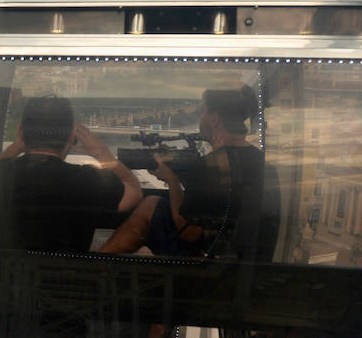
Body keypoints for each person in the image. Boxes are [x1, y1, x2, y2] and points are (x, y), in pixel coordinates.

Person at [102, 86, 273, 261]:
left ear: (214, 119)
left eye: (203, 112)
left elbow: (189, 233)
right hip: (241, 252)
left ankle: (100, 262)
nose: (201, 119)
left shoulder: (207, 166)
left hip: (204, 257)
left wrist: (172, 181)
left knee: (151, 204)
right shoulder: (263, 162)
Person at [0, 95, 143, 254]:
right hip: (67, 277)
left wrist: (18, 145)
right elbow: (135, 192)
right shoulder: (90, 180)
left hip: (2, 279)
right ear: (71, 136)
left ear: (20, 132)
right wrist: (102, 153)